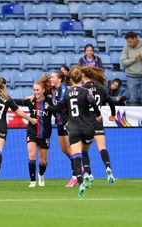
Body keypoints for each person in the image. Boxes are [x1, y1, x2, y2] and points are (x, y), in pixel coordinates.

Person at [48, 66, 102, 197]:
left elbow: (62, 107)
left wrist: (49, 107)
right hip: (87, 127)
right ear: (81, 78)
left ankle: (80, 182)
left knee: (76, 155)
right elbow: (92, 102)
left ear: (70, 79)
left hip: (73, 127)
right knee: (84, 152)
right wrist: (98, 114)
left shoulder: (67, 92)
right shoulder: (85, 91)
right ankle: (87, 171)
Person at [14, 75, 53, 188]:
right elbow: (17, 102)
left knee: (43, 161)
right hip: (31, 131)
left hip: (44, 133)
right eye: (34, 90)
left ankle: (41, 175)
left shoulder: (49, 101)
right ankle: (32, 180)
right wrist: (6, 98)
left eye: (38, 90)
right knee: (32, 156)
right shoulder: (30, 100)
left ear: (43, 90)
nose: (36, 92)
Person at [81, 66, 116, 188]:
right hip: (98, 121)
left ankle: (89, 174)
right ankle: (108, 168)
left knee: (84, 150)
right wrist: (113, 114)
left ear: (84, 76)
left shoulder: (83, 88)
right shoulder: (100, 88)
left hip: (86, 123)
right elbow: (111, 102)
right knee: (102, 148)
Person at [49, 71, 76, 188]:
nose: (51, 79)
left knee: (70, 149)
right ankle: (79, 167)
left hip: (67, 122)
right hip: (59, 123)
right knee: (64, 150)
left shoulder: (63, 89)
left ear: (59, 79)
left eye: (53, 77)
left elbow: (59, 106)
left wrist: (47, 107)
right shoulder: (54, 90)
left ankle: (76, 175)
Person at [121, 32, 142, 106]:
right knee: (132, 99)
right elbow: (123, 62)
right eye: (127, 42)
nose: (128, 44)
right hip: (131, 76)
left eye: (130, 41)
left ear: (135, 39)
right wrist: (133, 59)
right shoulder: (126, 47)